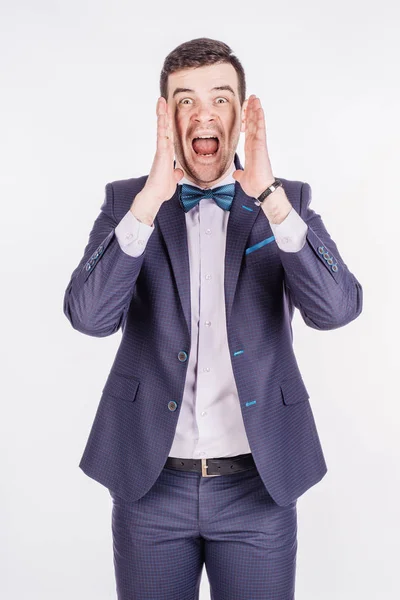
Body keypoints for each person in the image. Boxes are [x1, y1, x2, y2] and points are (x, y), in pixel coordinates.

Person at [63, 37, 363, 600]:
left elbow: (338, 308)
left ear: (243, 114)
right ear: (166, 117)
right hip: (150, 484)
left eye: (220, 99)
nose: (203, 113)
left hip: (258, 486)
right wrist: (149, 202)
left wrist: (271, 199)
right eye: (185, 100)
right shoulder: (127, 202)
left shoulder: (285, 199)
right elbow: (89, 317)